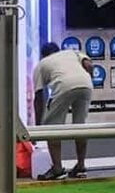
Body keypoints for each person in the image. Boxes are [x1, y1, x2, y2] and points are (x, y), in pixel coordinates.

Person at [32, 42, 94, 180]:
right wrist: (88, 79)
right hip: (86, 83)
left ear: (43, 55)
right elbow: (89, 65)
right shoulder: (72, 53)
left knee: (52, 127)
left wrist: (38, 127)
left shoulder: (41, 64)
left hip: (63, 85)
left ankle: (58, 169)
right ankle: (81, 166)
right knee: (80, 126)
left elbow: (38, 97)